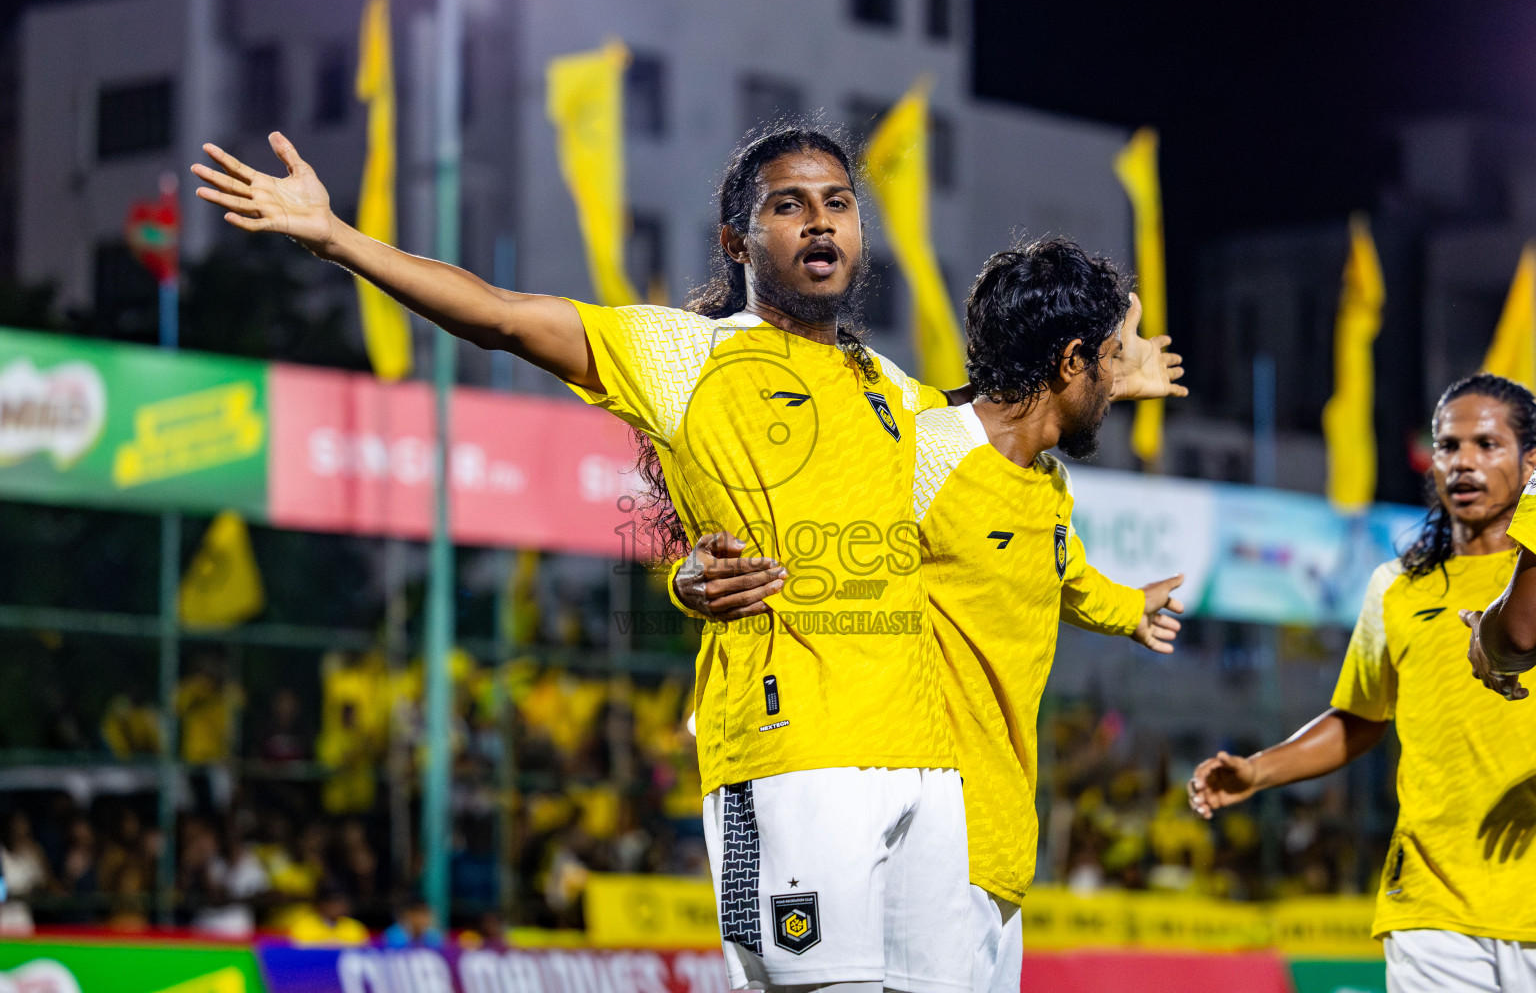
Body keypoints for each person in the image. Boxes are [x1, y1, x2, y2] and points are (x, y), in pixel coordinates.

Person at [192, 124, 988, 991]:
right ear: (737, 242)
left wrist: (1098, 370)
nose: (821, 224)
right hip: (797, 752)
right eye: (789, 206)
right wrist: (338, 239)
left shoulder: (896, 389)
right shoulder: (686, 355)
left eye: (838, 204)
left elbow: (1010, 428)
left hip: (928, 764)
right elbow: (498, 315)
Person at [671, 238, 1187, 993]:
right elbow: (790, 523)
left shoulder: (1045, 487)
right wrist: (685, 579)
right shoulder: (928, 452)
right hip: (914, 825)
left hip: (1002, 845)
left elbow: (1059, 570)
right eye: (1109, 358)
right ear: (1071, 362)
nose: (1118, 376)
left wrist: (1127, 610)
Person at [1189, 374, 1536, 993]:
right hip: (1433, 904)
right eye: (1449, 446)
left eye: (1487, 445)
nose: (1463, 462)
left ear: (1529, 462)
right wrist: (1258, 771)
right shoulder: (1396, 586)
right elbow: (1360, 716)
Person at [288, 880, 370, 946]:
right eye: (334, 902)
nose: (340, 907)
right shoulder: (302, 928)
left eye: (342, 902)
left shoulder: (356, 928)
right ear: (321, 904)